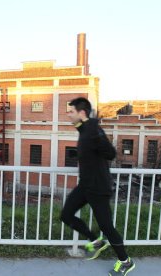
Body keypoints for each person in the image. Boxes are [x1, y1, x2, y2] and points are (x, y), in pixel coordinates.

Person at [60, 97, 135, 276]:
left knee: (107, 227)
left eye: (71, 111)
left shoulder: (93, 130)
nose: (68, 114)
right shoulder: (84, 129)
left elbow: (111, 153)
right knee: (66, 215)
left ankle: (125, 261)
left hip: (99, 188)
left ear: (82, 113)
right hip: (85, 185)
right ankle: (95, 241)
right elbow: (83, 132)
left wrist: (94, 131)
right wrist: (81, 125)